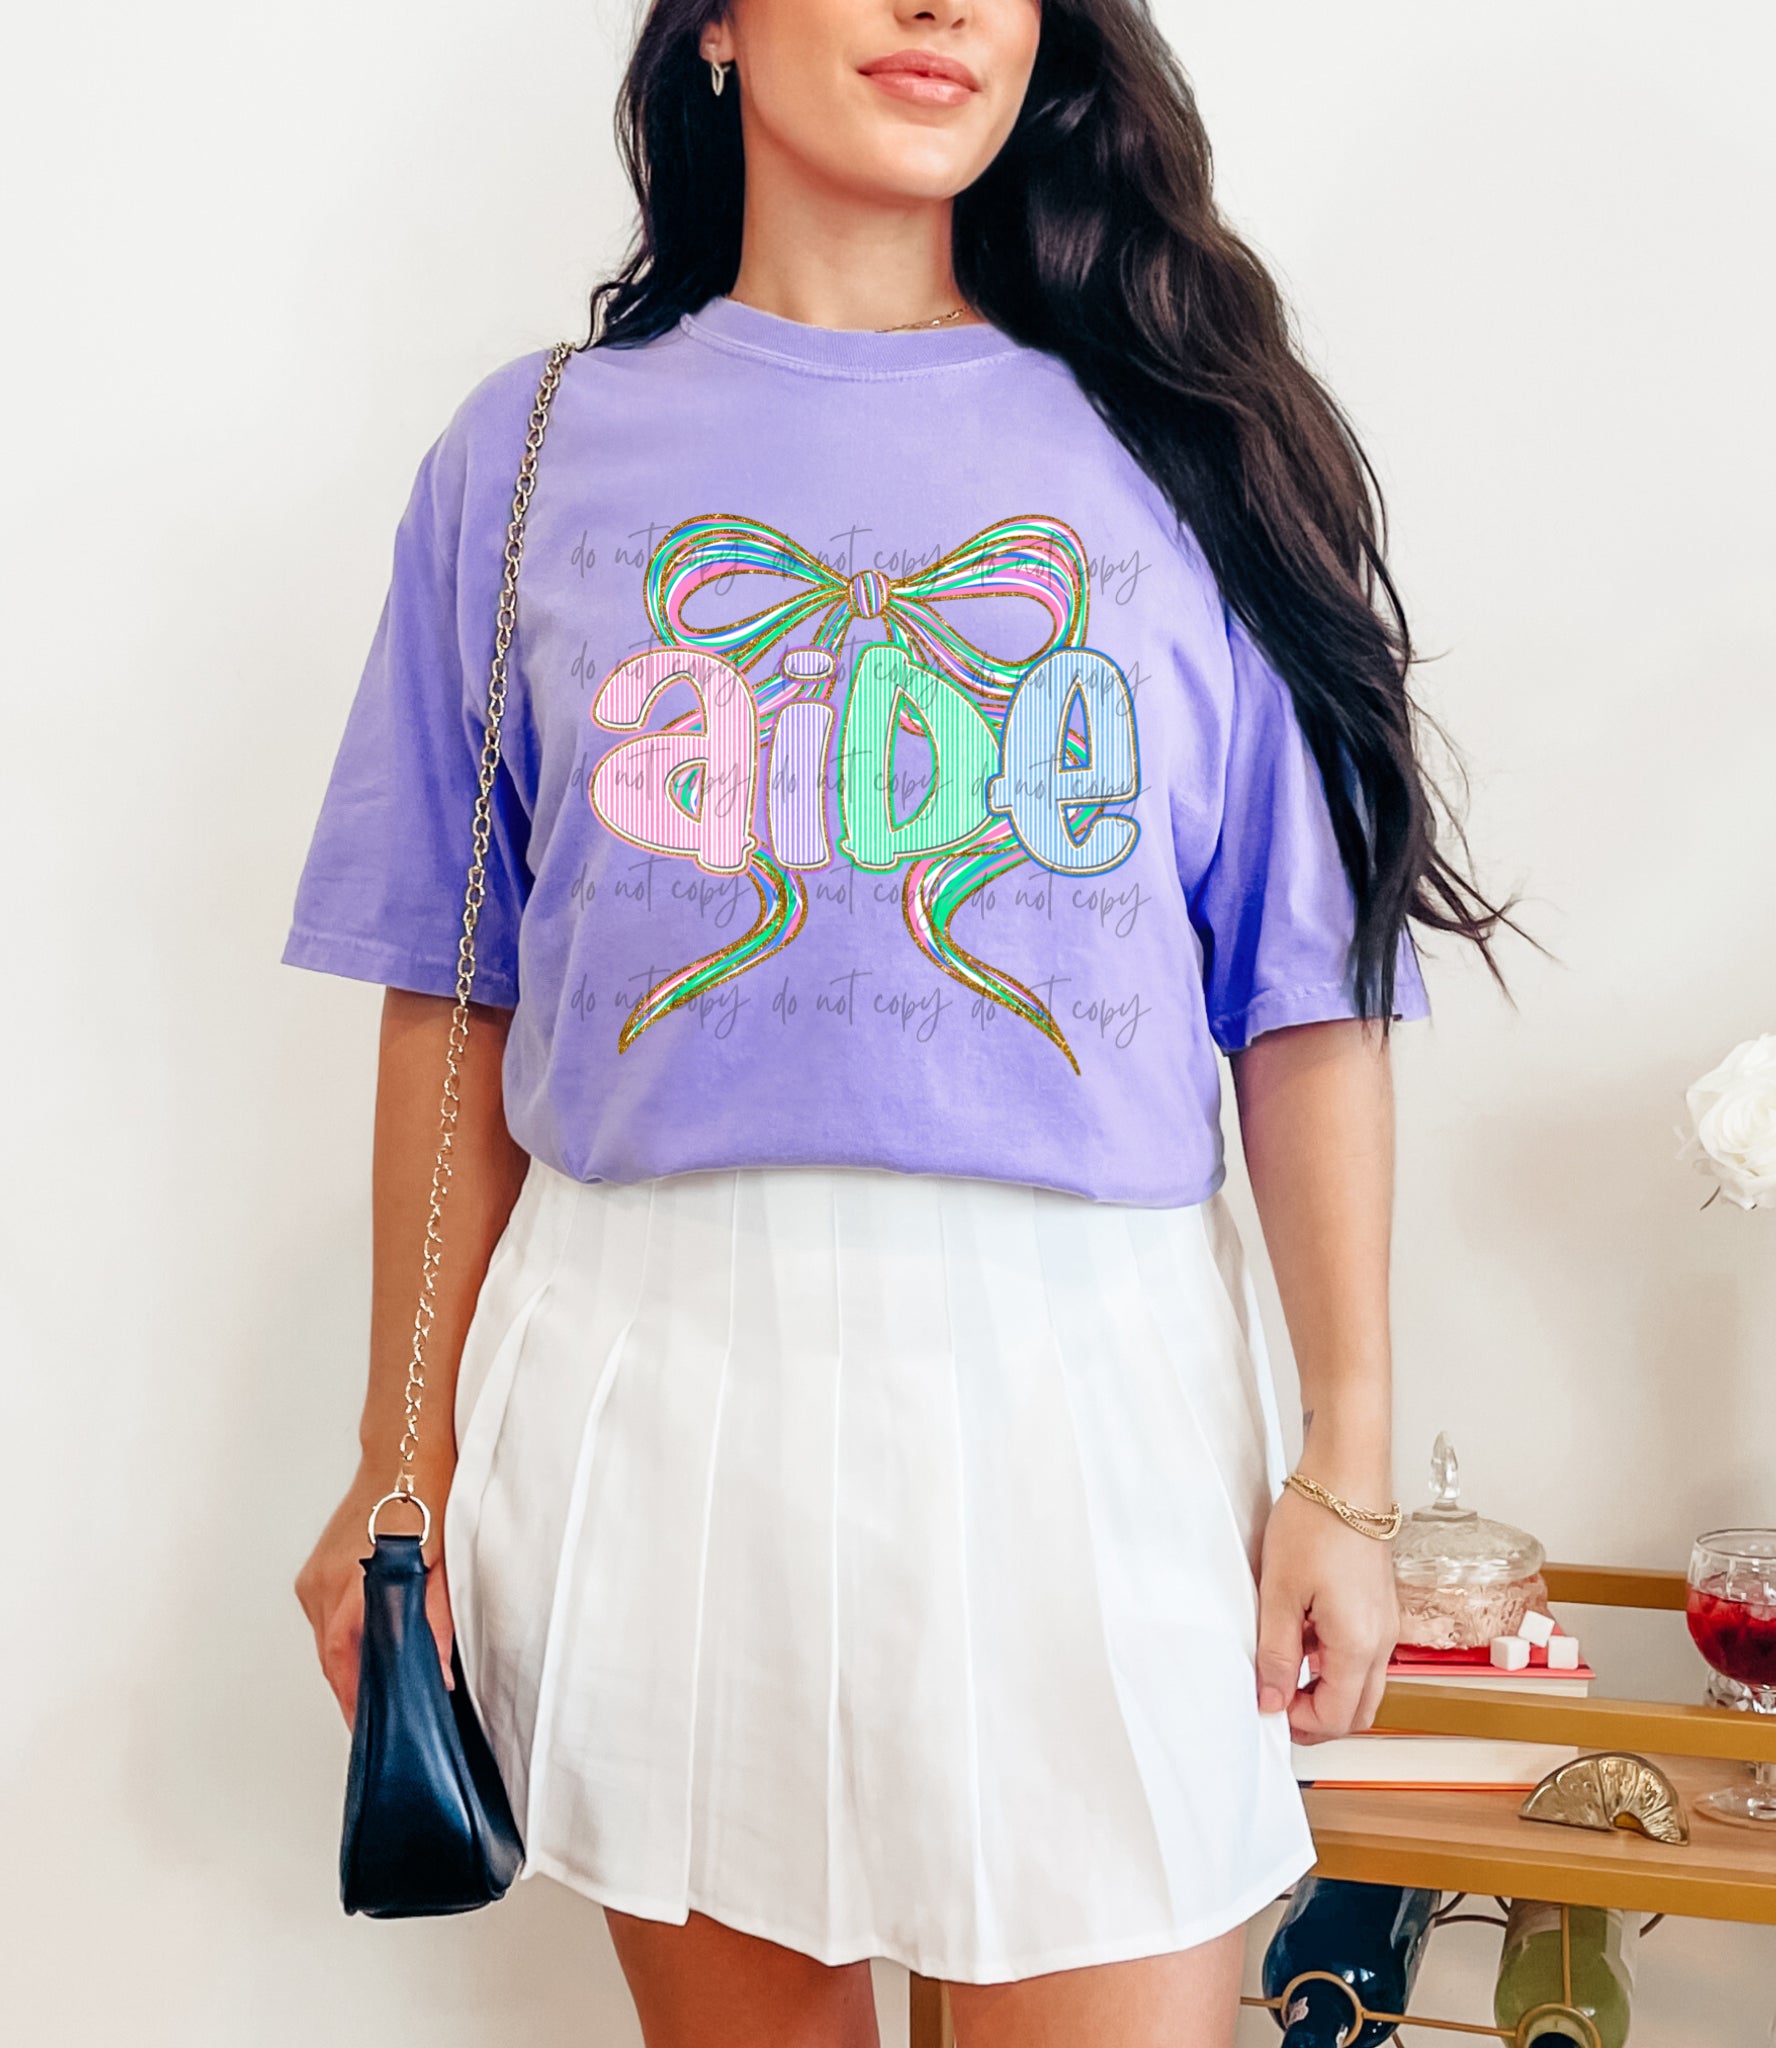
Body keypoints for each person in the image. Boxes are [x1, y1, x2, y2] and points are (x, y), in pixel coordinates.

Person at [285, 1, 1513, 2042]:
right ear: (715, 25)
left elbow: (1306, 1002)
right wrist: (392, 1459)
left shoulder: (1188, 448)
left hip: (1088, 1407)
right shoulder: (526, 456)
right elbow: (457, 988)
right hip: (654, 1386)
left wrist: (1350, 1462)